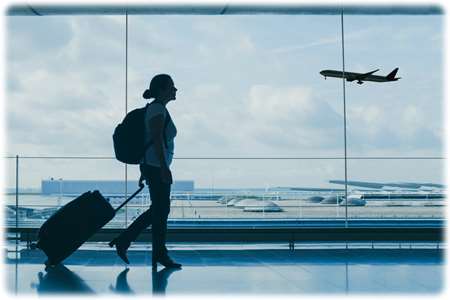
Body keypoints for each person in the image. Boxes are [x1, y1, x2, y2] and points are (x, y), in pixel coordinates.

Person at [109, 74, 181, 269]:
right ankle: (151, 250)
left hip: (152, 166)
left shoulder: (156, 108)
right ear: (162, 90)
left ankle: (133, 243)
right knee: (161, 210)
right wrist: (164, 168)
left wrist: (146, 169)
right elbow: (156, 140)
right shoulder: (157, 109)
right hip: (157, 168)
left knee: (159, 210)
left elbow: (149, 142)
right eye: (172, 87)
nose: (175, 90)